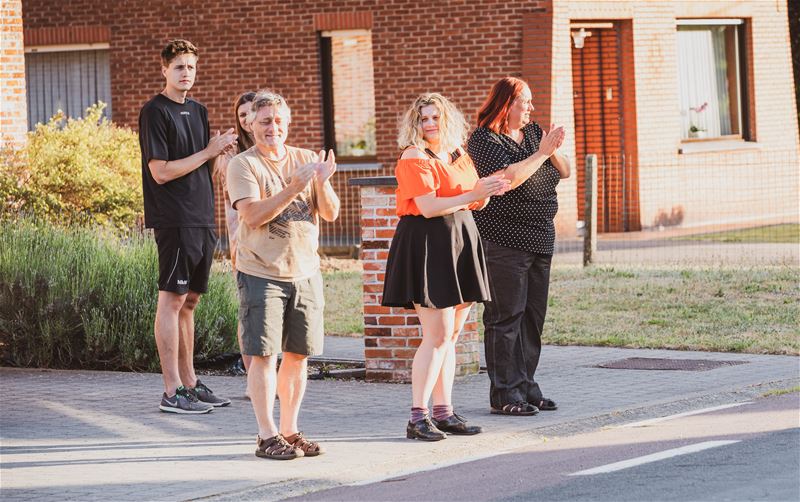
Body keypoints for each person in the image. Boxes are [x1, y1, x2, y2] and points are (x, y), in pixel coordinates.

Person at [382, 93, 510, 441]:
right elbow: (427, 206)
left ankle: (444, 411)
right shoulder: (413, 156)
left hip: (460, 242)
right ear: (415, 123)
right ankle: (417, 416)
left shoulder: (457, 154)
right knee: (436, 336)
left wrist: (487, 189)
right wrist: (473, 194)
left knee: (451, 336)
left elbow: (474, 195)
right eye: (423, 119)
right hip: (427, 245)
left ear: (447, 119)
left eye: (435, 117)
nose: (429, 124)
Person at [226, 90, 340, 460]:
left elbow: (331, 213)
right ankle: (266, 434)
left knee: (298, 355)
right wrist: (294, 186)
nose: (272, 127)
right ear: (252, 125)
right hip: (261, 271)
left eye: (278, 121)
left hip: (305, 271)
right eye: (264, 122)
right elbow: (253, 216)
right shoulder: (243, 165)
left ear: (287, 123)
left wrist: (321, 181)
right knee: (263, 355)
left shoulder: (306, 158)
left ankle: (290, 430)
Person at [139, 39, 237, 414]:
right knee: (172, 298)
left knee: (190, 302)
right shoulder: (155, 111)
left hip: (202, 216)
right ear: (164, 69)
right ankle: (171, 390)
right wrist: (207, 152)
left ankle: (191, 384)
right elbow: (161, 172)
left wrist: (219, 153)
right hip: (174, 218)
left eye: (191, 67)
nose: (186, 73)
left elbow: (203, 167)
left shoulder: (199, 111)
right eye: (179, 67)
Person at [467, 77, 570, 416]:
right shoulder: (484, 139)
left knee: (532, 318)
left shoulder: (535, 134)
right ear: (506, 104)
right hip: (504, 241)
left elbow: (565, 171)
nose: (531, 108)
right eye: (525, 102)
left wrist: (552, 148)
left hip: (541, 237)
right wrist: (542, 153)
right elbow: (508, 180)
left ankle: (527, 386)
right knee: (505, 317)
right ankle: (504, 393)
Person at [213, 91, 256, 391]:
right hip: (243, 240)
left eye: (252, 112)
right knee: (248, 308)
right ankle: (254, 379)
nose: (248, 119)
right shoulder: (232, 155)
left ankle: (267, 375)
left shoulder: (276, 150)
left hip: (274, 242)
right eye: (242, 115)